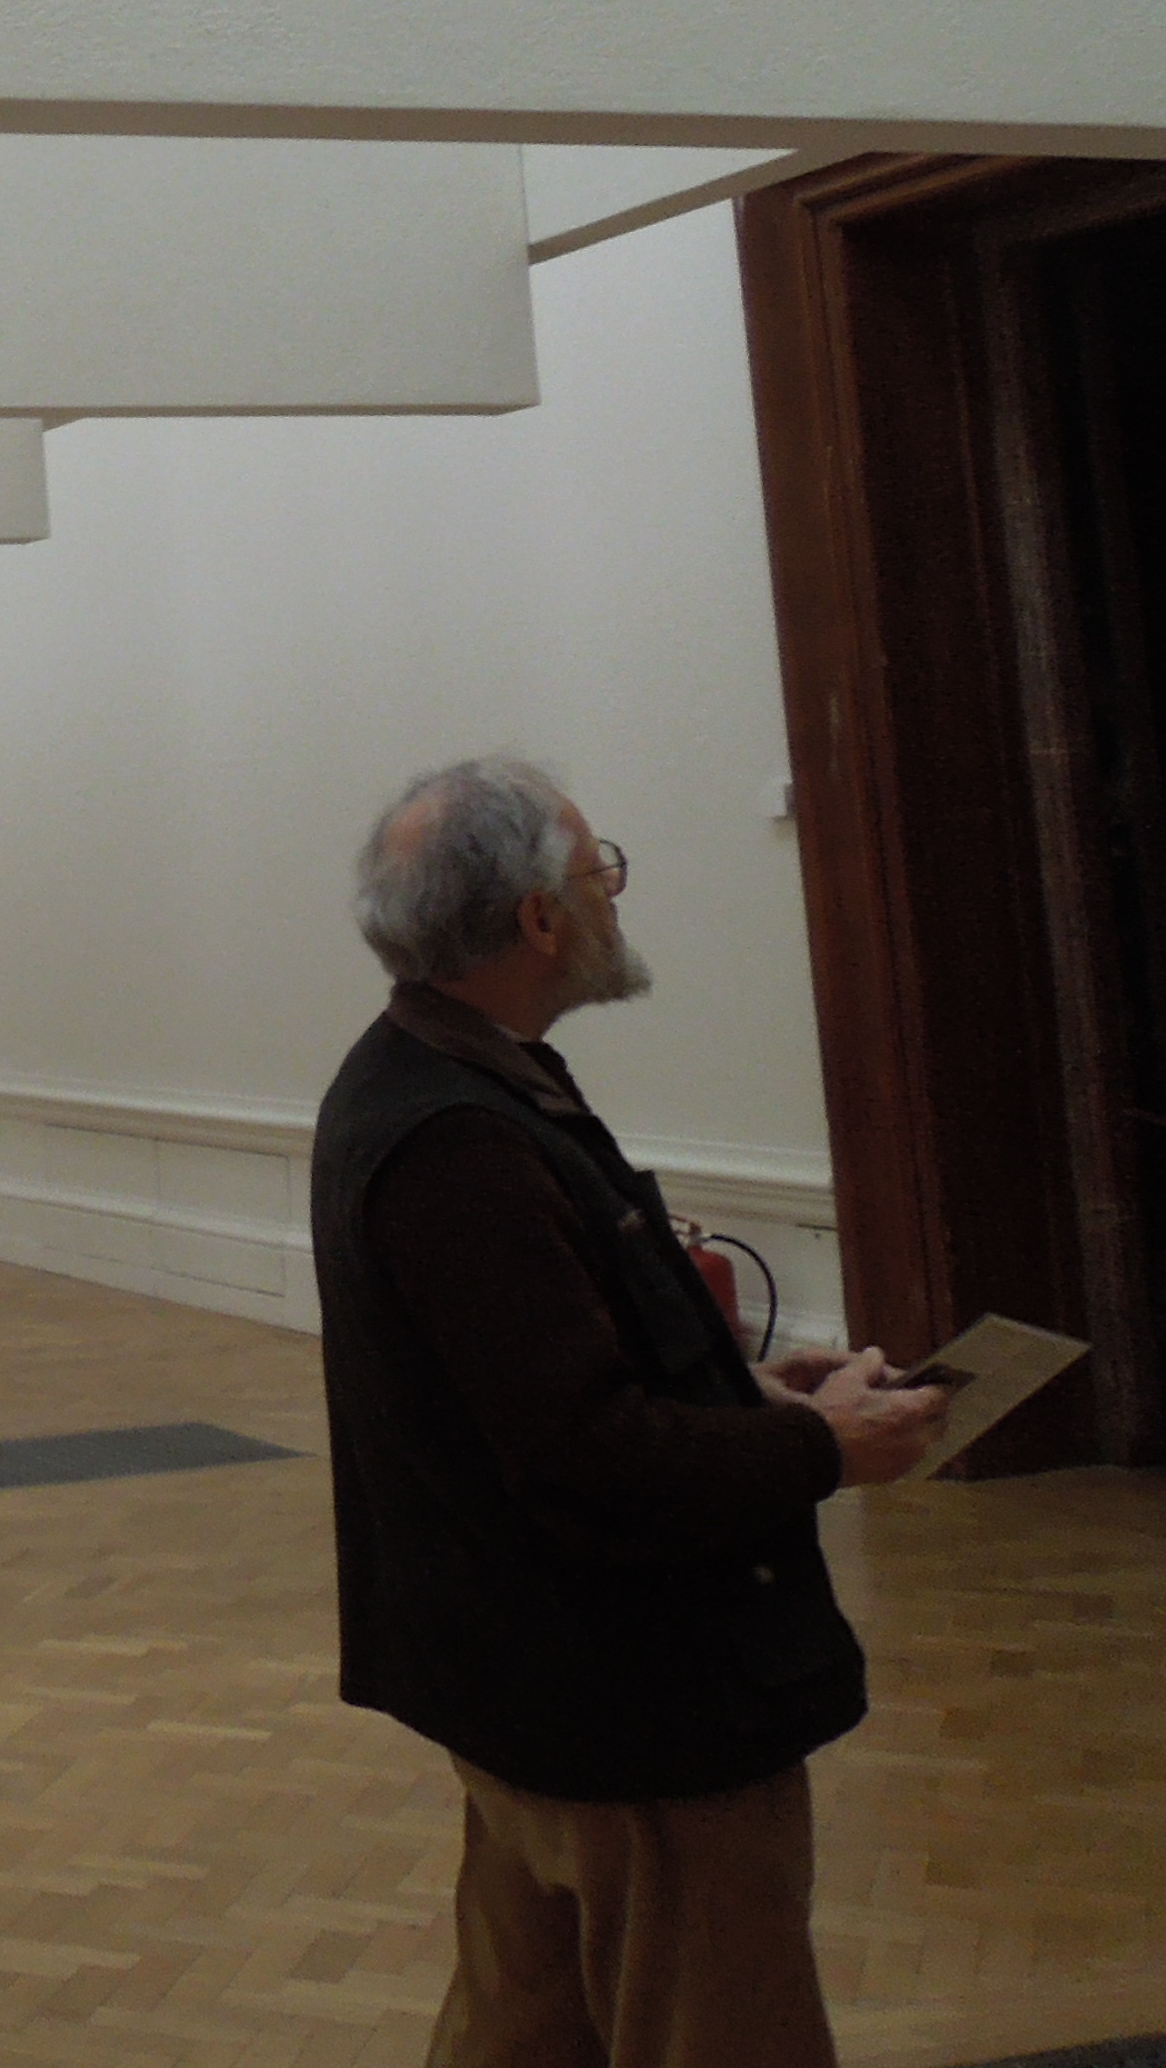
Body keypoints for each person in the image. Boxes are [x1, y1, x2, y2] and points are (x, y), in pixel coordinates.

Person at [311, 756, 947, 2068]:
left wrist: (742, 1391)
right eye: (599, 870)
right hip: (628, 1706)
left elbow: (527, 1385)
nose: (613, 894)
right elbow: (588, 1459)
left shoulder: (433, 1082)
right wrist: (823, 1445)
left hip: (539, 1688)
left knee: (523, 2031)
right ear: (539, 918)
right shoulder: (459, 1136)